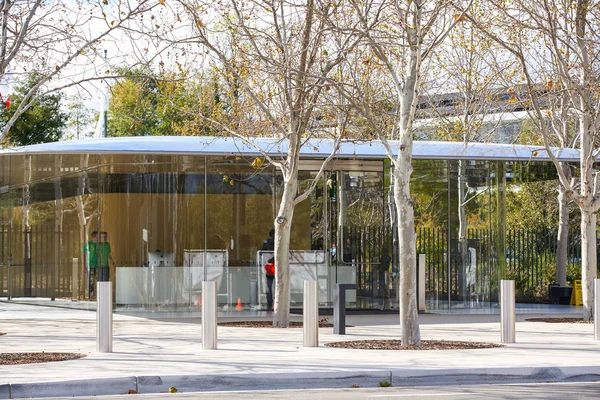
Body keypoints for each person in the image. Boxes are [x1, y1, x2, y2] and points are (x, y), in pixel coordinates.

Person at [82, 231, 98, 300]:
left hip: (98, 266)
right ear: (93, 237)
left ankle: (98, 295)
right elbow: (83, 255)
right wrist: (84, 266)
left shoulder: (99, 245)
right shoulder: (87, 245)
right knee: (91, 281)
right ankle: (90, 296)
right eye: (97, 237)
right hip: (90, 266)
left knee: (98, 281)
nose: (98, 238)